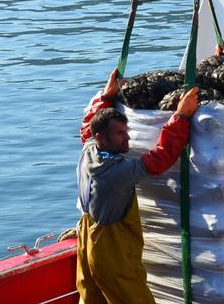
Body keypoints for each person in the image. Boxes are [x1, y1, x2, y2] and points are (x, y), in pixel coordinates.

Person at [76, 70, 200, 304]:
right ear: (102, 138)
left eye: (127, 131)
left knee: (92, 298)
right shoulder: (116, 173)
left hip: (87, 238)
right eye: (120, 134)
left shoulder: (90, 149)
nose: (128, 138)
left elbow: (87, 126)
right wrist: (181, 116)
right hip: (111, 250)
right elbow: (161, 157)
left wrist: (106, 95)